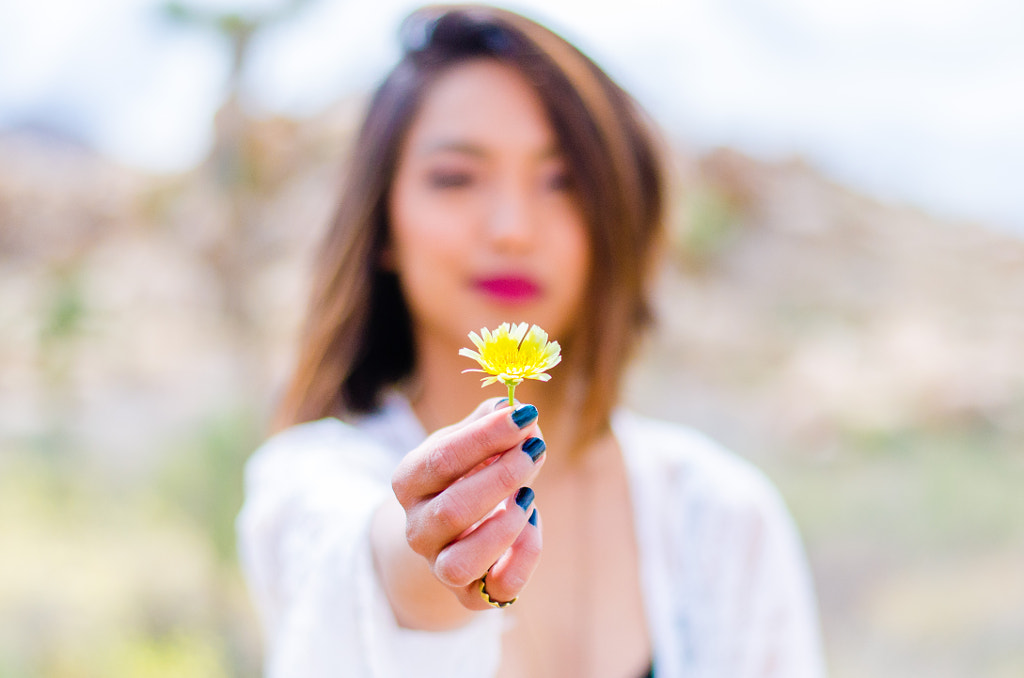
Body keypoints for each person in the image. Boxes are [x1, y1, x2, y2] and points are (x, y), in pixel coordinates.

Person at [237, 4, 826, 677]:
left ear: (612, 219)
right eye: (455, 178)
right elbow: (356, 568)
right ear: (385, 228)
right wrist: (431, 562)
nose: (513, 228)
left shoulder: (722, 518)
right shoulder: (308, 487)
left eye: (562, 182)